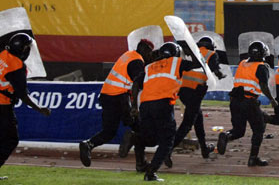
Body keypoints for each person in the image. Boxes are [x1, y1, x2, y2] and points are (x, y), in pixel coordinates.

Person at [131, 42, 202, 181]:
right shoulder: (176, 62)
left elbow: (135, 84)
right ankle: (151, 173)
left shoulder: (149, 66)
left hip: (145, 105)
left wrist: (134, 106)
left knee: (150, 137)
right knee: (167, 140)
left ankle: (136, 138)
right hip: (163, 104)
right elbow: (197, 64)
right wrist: (190, 51)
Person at [78, 40, 154, 169]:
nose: (150, 56)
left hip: (107, 96)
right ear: (146, 50)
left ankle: (88, 144)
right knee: (138, 129)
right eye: (150, 53)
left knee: (109, 131)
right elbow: (139, 83)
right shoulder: (137, 62)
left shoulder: (128, 55)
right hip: (120, 97)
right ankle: (140, 162)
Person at [165, 37, 226, 167]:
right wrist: (220, 75)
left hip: (183, 90)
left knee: (198, 119)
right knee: (187, 124)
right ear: (211, 46)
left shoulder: (191, 52)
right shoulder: (211, 54)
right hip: (195, 91)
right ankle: (167, 151)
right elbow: (215, 69)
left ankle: (204, 148)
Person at [217, 41, 277, 167]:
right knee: (258, 130)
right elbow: (264, 86)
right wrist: (272, 99)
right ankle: (253, 158)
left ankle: (226, 136)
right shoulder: (261, 66)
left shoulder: (242, 63)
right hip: (249, 101)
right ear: (263, 53)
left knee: (238, 131)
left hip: (235, 101)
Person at [0, 33, 51, 179]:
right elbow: (23, 95)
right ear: (22, 49)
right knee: (11, 139)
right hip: (2, 106)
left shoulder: (4, 54)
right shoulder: (16, 65)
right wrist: (40, 108)